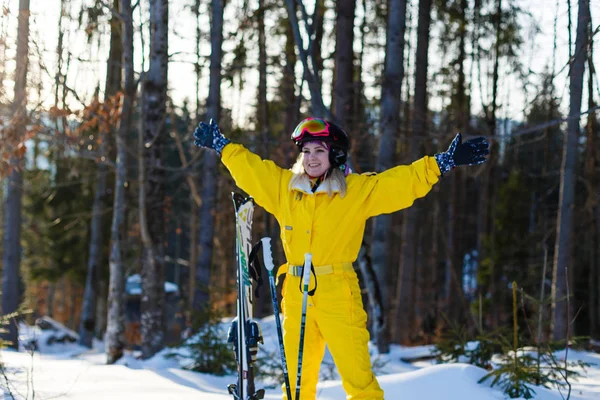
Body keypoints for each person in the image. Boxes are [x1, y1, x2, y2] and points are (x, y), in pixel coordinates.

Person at [193, 117, 489, 400]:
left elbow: (400, 183)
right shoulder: (285, 189)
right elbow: (252, 170)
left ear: (334, 155)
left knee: (359, 383)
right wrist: (223, 146)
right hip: (296, 293)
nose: (310, 158)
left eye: (319, 151)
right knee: (296, 387)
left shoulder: (355, 192)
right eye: (306, 151)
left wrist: (441, 163)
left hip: (338, 292)